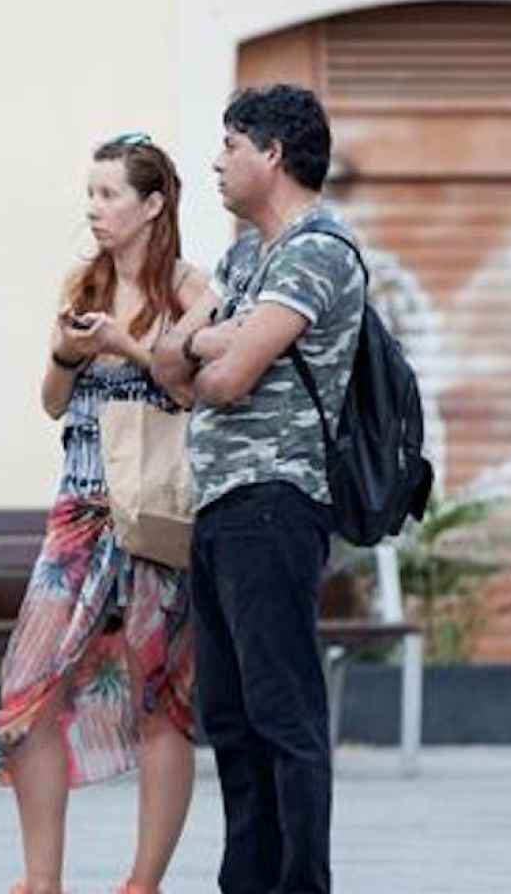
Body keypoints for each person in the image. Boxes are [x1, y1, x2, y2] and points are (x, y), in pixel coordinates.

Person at [0, 133, 208, 894]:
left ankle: (141, 883)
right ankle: (41, 879)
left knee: (159, 697)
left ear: (153, 204)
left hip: (152, 517)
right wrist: (66, 354)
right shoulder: (80, 282)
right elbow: (54, 403)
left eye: (109, 194)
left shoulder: (193, 290)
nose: (93, 208)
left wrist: (126, 341)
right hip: (77, 511)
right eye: (90, 193)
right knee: (31, 686)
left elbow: (198, 390)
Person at [153, 84, 365, 894]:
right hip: (221, 506)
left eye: (231, 144)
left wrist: (210, 345)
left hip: (276, 502)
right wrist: (213, 336)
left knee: (284, 717)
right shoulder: (246, 258)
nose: (216, 161)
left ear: (272, 154)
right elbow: (173, 369)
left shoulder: (318, 249)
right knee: (233, 722)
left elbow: (229, 380)